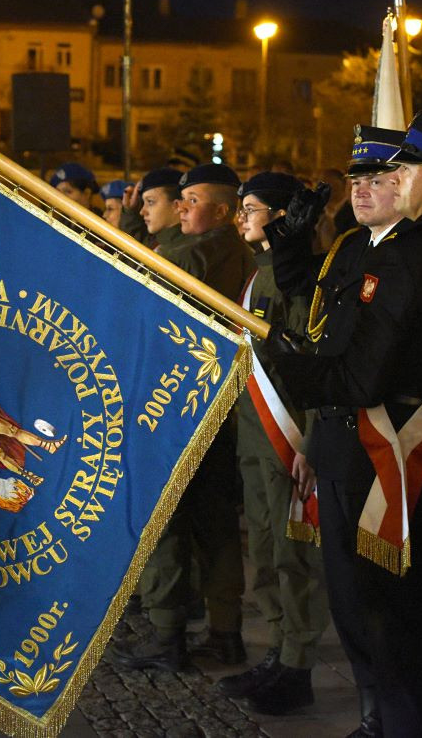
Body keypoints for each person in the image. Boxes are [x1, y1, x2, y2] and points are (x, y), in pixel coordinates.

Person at [268, 113, 422, 737]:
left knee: (394, 636)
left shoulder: (407, 255)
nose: (385, 181)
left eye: (399, 170)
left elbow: (358, 377)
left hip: (386, 459)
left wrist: (275, 362)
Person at [266, 125, 412, 736]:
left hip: (379, 442)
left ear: (408, 183)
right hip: (333, 437)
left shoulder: (410, 253)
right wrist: (291, 236)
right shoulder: (352, 246)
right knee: (347, 597)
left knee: (379, 602)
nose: (361, 190)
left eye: (377, 179)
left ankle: (390, 718)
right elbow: (308, 292)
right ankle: (372, 712)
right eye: (356, 180)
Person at [112, 163, 252, 672]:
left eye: (192, 200)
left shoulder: (188, 254)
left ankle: (167, 632)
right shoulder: (235, 251)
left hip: (170, 407)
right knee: (215, 527)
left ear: (220, 210)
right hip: (214, 408)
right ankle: (225, 631)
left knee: (165, 522)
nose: (184, 207)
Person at [213, 170, 330, 714]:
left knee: (293, 555)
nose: (240, 216)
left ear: (283, 216)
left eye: (251, 207)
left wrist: (310, 439)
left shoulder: (293, 279)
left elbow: (308, 363)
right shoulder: (260, 274)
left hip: (286, 435)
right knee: (263, 547)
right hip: (255, 436)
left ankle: (298, 663)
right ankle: (277, 652)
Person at [119, 167, 184, 249]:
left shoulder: (181, 249)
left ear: (177, 205)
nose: (142, 212)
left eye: (150, 202)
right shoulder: (156, 240)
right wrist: (130, 212)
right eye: (143, 202)